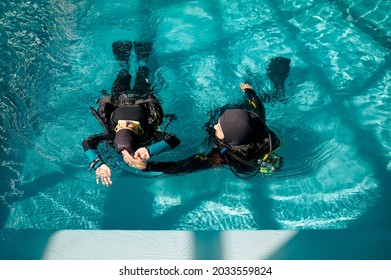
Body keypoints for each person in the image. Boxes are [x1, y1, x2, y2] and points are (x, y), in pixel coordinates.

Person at [125, 57, 291, 178]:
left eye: (218, 127)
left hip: (246, 161)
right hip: (251, 137)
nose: (213, 127)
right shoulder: (256, 121)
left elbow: (185, 166)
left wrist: (148, 167)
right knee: (270, 98)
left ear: (228, 140)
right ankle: (278, 84)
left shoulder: (222, 157)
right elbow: (258, 105)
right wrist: (250, 92)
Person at [82, 41, 180, 186]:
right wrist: (148, 150)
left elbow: (87, 142)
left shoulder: (117, 135)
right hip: (132, 96)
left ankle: (137, 59)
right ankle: (139, 60)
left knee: (131, 73)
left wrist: (99, 164)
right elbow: (174, 140)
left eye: (124, 125)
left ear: (116, 130)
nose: (126, 123)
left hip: (126, 97)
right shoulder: (147, 134)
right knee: (131, 73)